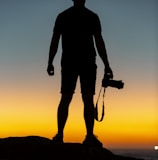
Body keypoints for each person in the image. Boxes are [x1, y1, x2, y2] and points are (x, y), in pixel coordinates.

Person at [47, 0, 113, 148]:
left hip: (74, 62)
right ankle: (86, 136)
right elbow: (99, 41)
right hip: (86, 61)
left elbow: (55, 40)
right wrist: (107, 64)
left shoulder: (63, 16)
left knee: (68, 97)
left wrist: (50, 61)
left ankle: (61, 135)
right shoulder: (91, 16)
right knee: (84, 98)